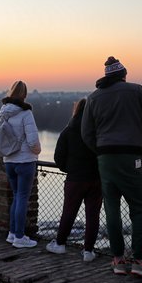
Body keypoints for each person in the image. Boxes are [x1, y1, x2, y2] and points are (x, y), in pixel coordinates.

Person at [81, 56, 142, 277]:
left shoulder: (94, 97)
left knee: (111, 209)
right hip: (133, 158)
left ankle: (117, 260)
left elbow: (86, 133)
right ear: (123, 75)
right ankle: (139, 261)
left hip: (106, 160)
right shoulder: (135, 91)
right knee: (139, 208)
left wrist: (102, 152)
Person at [46, 99, 102, 262]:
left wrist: (69, 170)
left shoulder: (68, 131)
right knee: (93, 215)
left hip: (75, 179)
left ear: (76, 111)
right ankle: (88, 251)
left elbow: (58, 158)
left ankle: (60, 244)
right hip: (96, 179)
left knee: (69, 211)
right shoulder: (98, 131)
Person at [0, 80, 42, 248]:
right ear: (24, 95)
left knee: (16, 196)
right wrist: (36, 152)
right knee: (22, 197)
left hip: (9, 161)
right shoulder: (26, 113)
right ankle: (20, 237)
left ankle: (12, 233)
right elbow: (33, 141)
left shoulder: (2, 112)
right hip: (25, 161)